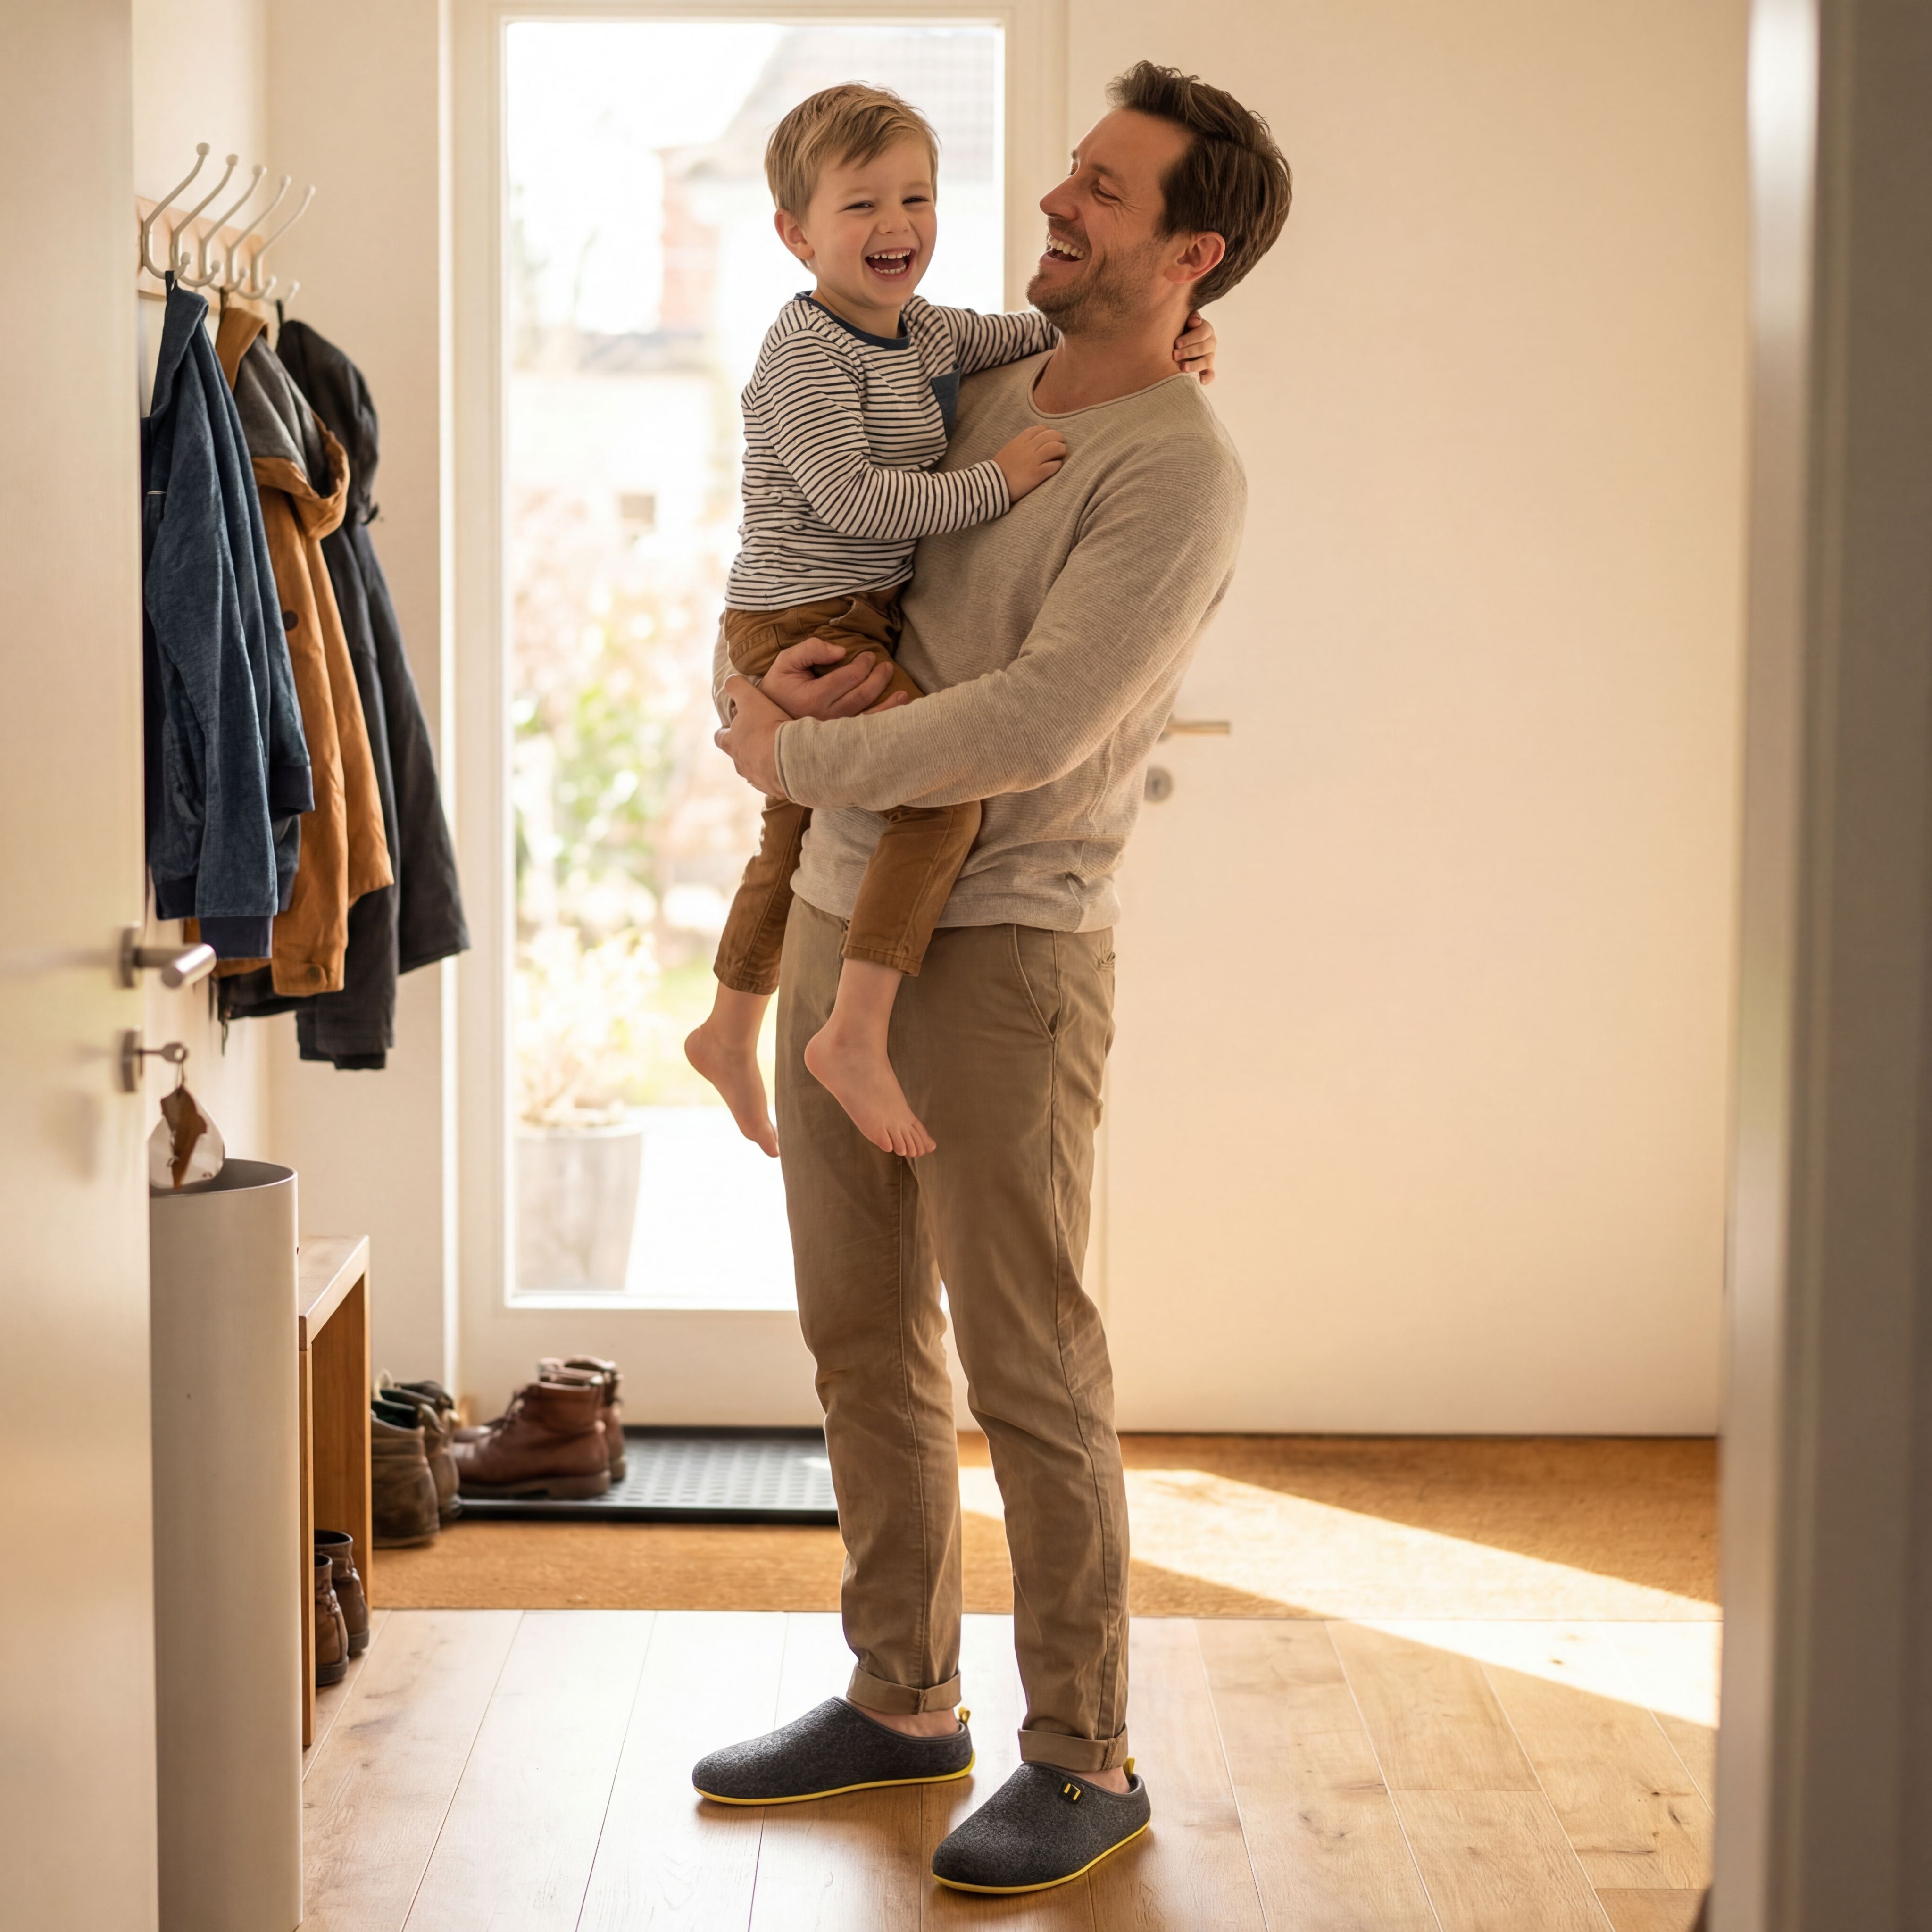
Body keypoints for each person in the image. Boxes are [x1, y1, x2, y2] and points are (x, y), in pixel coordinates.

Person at [692, 62, 1291, 1896]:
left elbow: (1030, 721)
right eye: (1068, 173)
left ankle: (1083, 1750)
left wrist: (782, 764)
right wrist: (751, 708)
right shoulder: (989, 373)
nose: (1054, 200)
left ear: (1191, 253)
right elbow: (831, 556)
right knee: (861, 1342)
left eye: (1101, 190)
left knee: (1029, 1363)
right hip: (843, 908)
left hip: (1006, 939)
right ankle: (898, 1698)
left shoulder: (1181, 472)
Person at [683, 83, 1218, 1161]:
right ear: (794, 236)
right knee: (896, 813)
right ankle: (836, 1032)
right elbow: (854, 505)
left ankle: (739, 1028)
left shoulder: (929, 338)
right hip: (802, 617)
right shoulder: (810, 355)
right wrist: (995, 480)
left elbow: (1031, 328)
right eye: (860, 206)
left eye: (916, 197)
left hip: (861, 657)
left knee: (798, 822)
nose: (896, 226)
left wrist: (1180, 342)